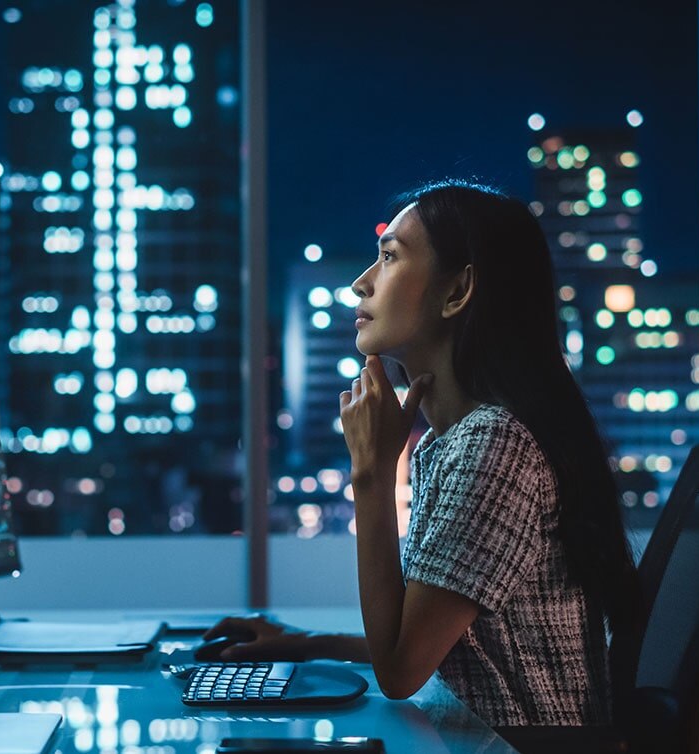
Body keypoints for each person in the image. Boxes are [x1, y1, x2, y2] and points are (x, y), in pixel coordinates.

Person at [205, 179, 641, 728]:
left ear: (456, 292)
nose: (362, 284)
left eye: (389, 258)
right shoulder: (451, 441)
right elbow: (431, 637)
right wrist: (305, 643)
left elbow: (401, 669)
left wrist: (371, 471)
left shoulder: (496, 446)